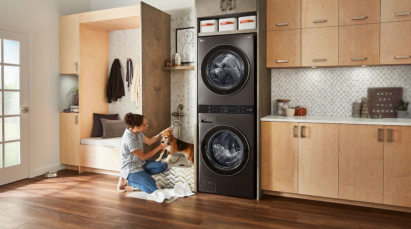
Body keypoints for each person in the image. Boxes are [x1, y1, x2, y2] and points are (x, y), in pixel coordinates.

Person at [117, 112, 173, 194]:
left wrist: (163, 133)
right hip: (131, 169)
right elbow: (143, 157)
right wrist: (160, 147)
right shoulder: (129, 139)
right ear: (136, 127)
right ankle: (128, 181)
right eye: (144, 125)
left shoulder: (137, 132)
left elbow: (150, 141)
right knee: (154, 189)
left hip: (140, 164)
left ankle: (140, 178)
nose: (147, 126)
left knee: (163, 165)